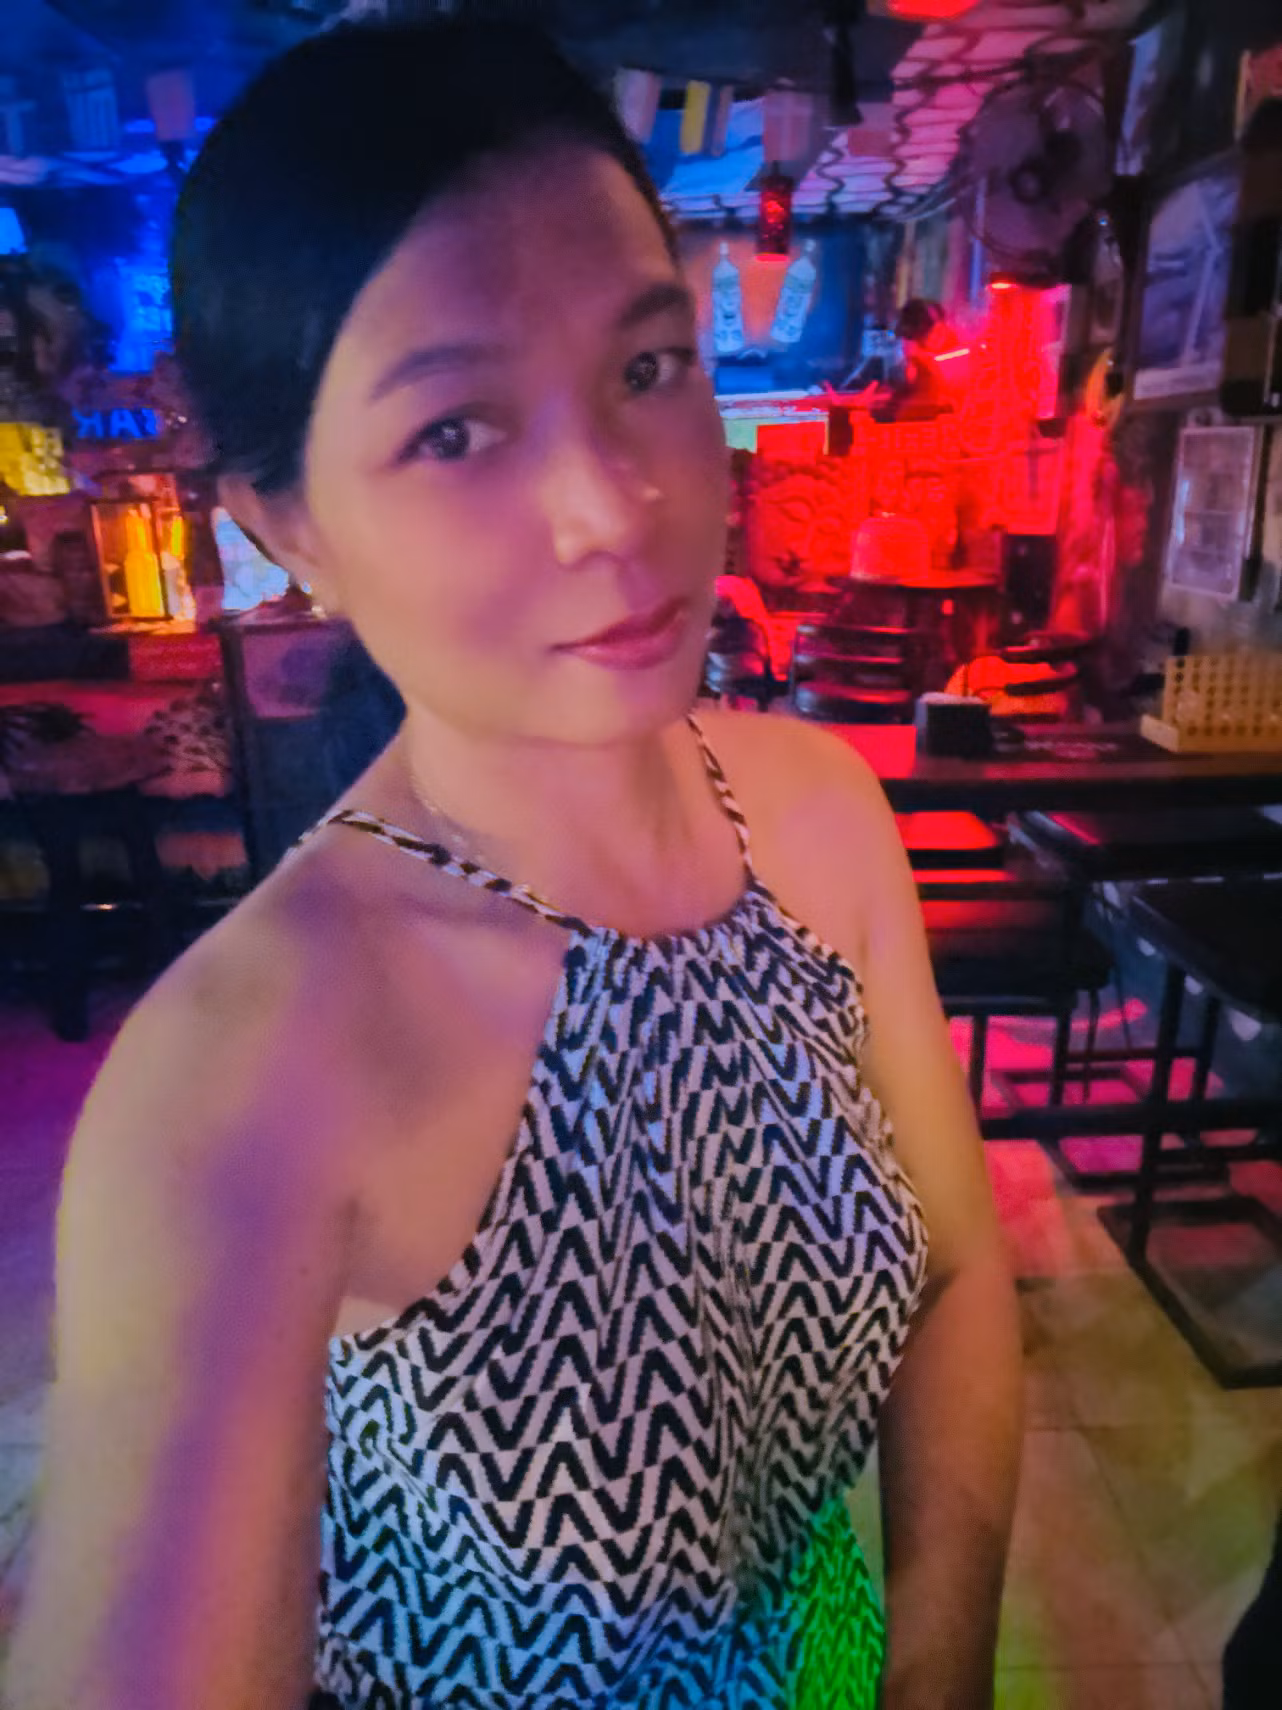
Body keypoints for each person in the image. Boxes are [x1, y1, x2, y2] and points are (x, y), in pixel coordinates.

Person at [4, 20, 1022, 1710]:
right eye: (456, 431)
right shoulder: (254, 1062)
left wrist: (935, 1667)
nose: (615, 506)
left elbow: (959, 1272)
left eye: (646, 367)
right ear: (285, 522)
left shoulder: (819, 817)